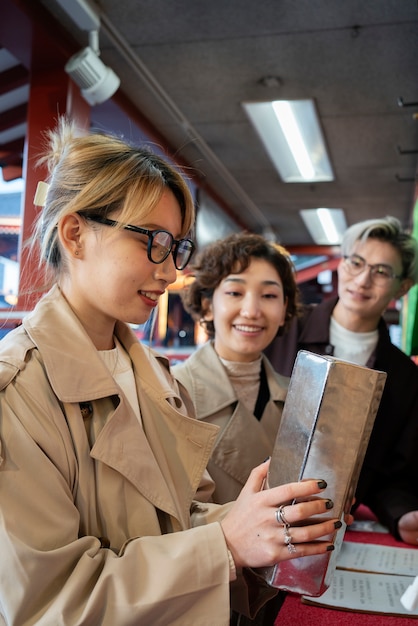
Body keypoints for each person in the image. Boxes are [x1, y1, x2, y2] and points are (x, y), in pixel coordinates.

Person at [0, 119, 341, 626]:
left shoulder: (155, 377)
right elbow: (48, 603)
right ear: (75, 234)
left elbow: (177, 519)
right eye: (153, 241)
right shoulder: (16, 393)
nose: (169, 271)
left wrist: (264, 524)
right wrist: (226, 542)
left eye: (177, 247)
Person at [265, 216, 418, 545]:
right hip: (258, 508)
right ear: (342, 263)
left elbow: (392, 474)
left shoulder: (404, 377)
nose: (363, 280)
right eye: (356, 262)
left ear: (402, 287)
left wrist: (402, 515)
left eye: (381, 271)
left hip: (331, 527)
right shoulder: (282, 329)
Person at [172, 232, 300, 505]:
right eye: (234, 293)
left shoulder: (301, 400)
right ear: (207, 306)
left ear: (284, 309)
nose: (252, 311)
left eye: (268, 295)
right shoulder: (170, 392)